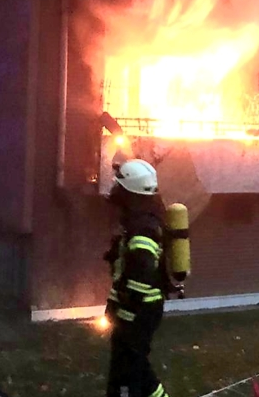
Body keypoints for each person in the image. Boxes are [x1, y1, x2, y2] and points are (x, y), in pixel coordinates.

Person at [103, 159, 170, 397]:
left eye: (119, 186)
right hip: (140, 307)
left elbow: (142, 272)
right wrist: (114, 304)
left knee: (128, 367)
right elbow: (128, 272)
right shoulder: (140, 220)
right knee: (135, 363)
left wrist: (126, 311)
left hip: (140, 309)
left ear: (130, 191)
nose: (115, 190)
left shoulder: (142, 226)